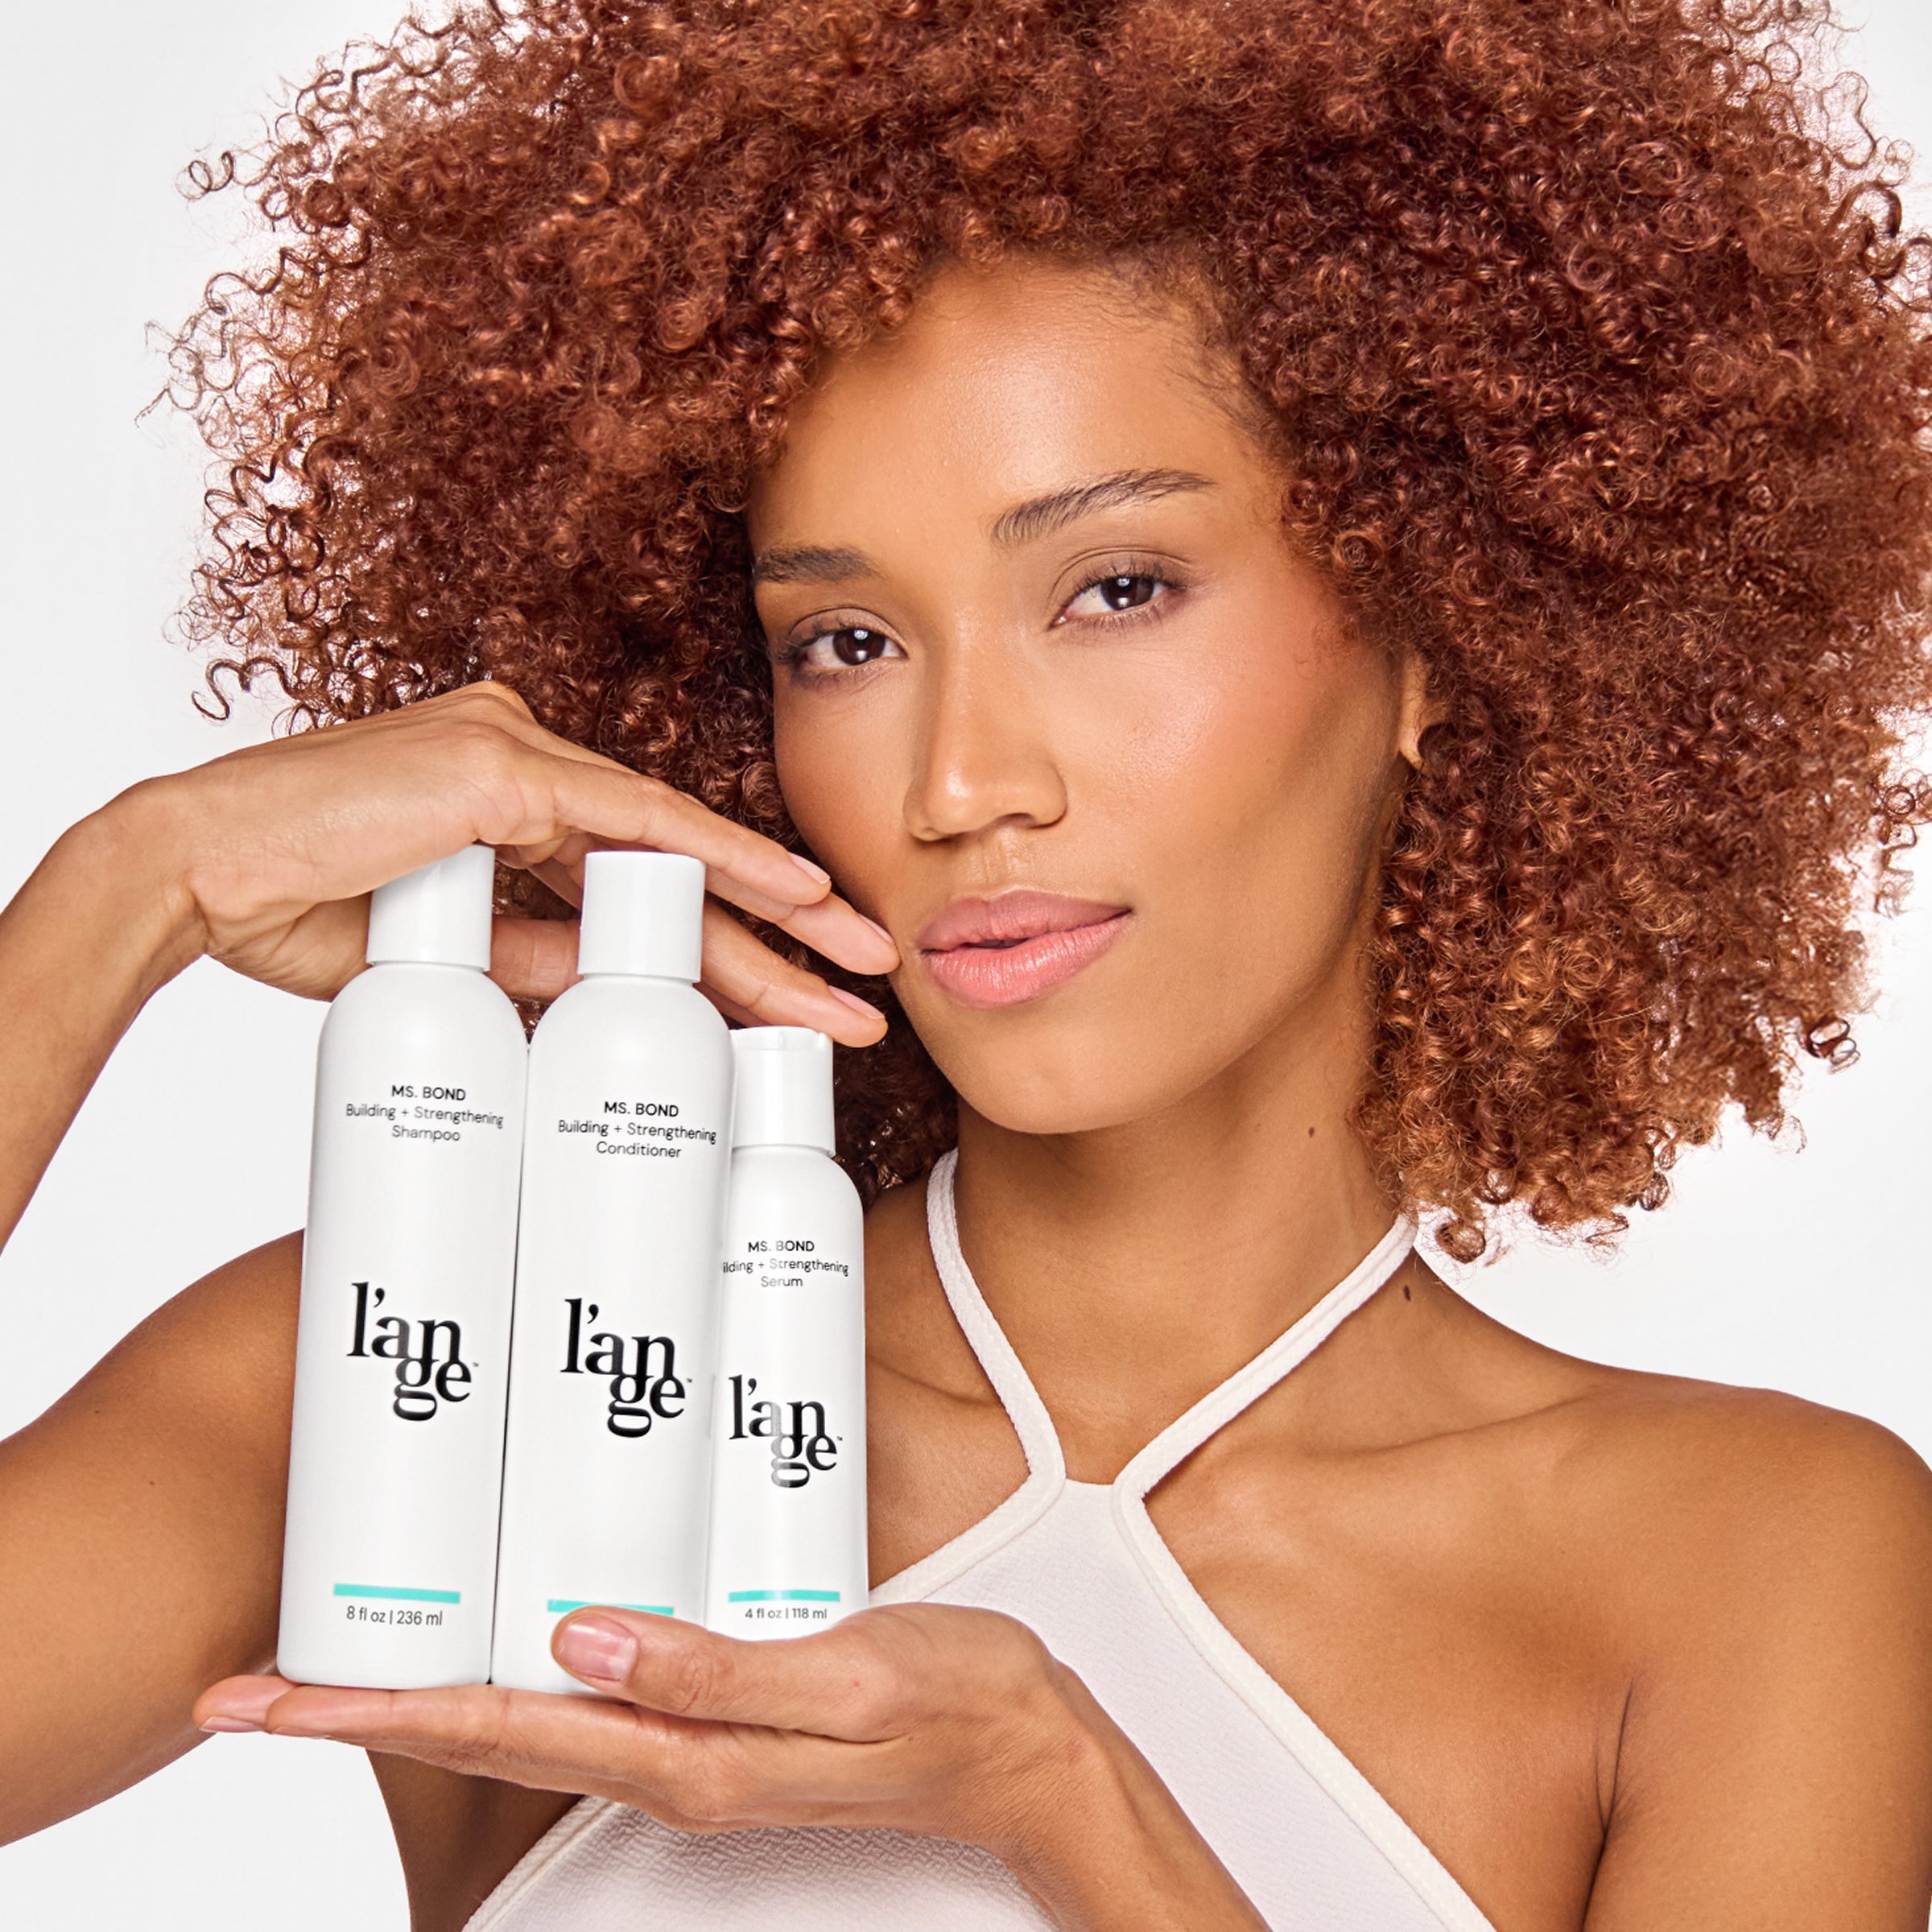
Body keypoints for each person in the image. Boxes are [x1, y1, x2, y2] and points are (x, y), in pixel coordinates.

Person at [5, 0, 1932, 1925]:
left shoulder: (1752, 1562)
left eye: (1116, 590)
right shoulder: (475, 1372)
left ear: (1444, 632)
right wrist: (127, 891)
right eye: (843, 641)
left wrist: (1068, 1801)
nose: (959, 782)